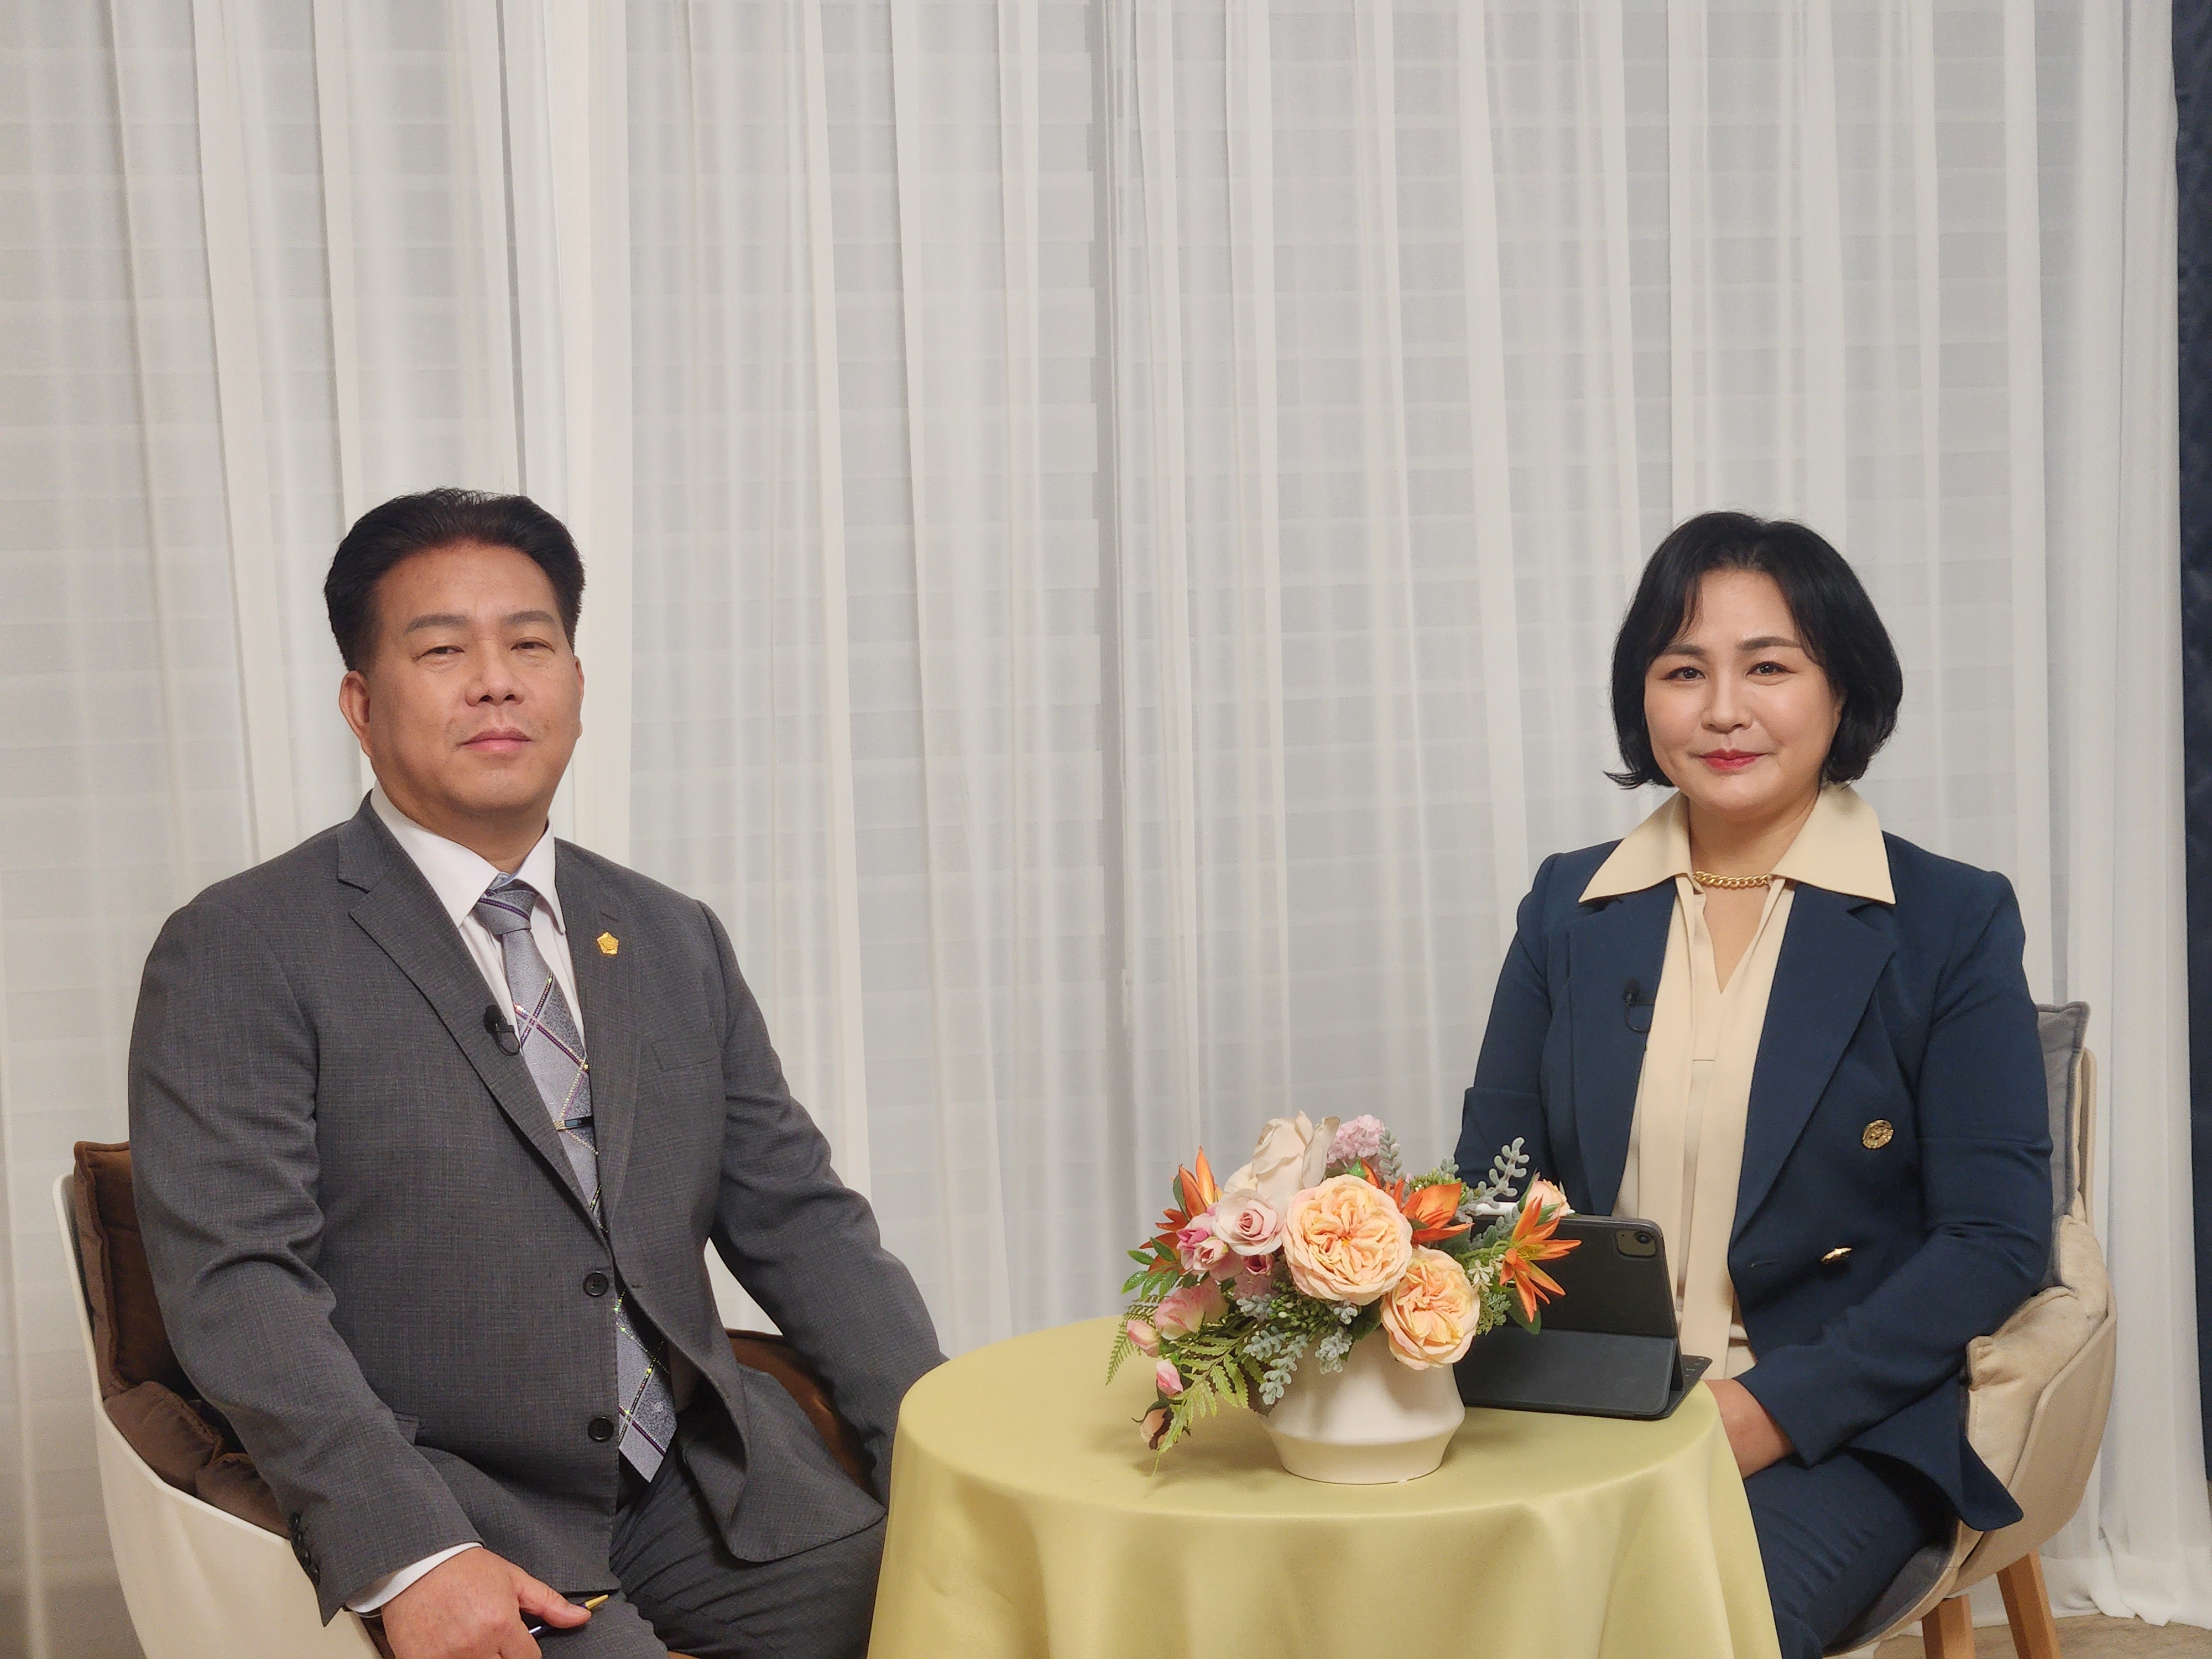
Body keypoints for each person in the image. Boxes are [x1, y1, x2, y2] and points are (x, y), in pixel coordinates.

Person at [129, 489, 943, 1659]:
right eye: (442, 651)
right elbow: (238, 1284)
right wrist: (412, 1552)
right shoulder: (242, 946)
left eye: (529, 644)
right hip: (458, 1501)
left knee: (979, 1606)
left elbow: (804, 1224)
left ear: (575, 683)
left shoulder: (669, 934)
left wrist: (942, 1453)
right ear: (361, 704)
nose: (496, 683)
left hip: (707, 1485)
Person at [1454, 512, 2051, 1659]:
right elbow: (1491, 1188)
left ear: (1843, 689)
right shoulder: (1566, 907)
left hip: (1835, 1428)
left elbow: (1994, 1239)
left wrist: (1764, 1411)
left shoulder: (1949, 917)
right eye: (1683, 671)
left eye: (1768, 667)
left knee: (1681, 1629)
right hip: (1581, 1403)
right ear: (1642, 699)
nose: (1722, 710)